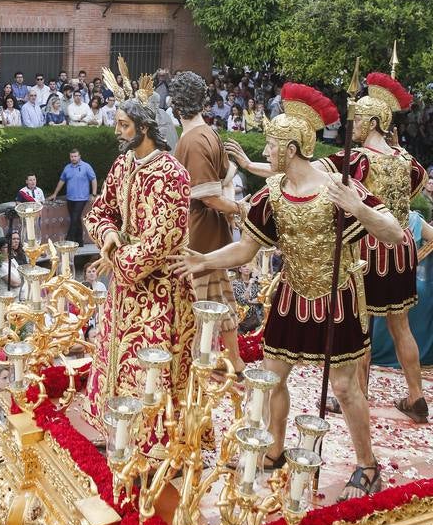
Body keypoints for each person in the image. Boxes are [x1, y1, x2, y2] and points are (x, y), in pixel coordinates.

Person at [172, 83, 404, 500]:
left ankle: (367, 467)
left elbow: (394, 234)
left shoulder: (338, 188)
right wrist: (204, 260)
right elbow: (247, 247)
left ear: (292, 148)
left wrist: (360, 209)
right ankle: (276, 449)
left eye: (272, 145)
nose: (265, 152)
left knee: (346, 388)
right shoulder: (272, 194)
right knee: (271, 377)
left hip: (338, 299)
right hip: (292, 295)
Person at [82, 81, 195, 446]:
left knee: (149, 365)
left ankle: (152, 437)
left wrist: (116, 259)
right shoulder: (122, 164)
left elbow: (163, 240)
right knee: (114, 355)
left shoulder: (172, 173)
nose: (117, 131)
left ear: (144, 128)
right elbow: (101, 211)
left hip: (158, 291)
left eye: (123, 125)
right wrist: (110, 235)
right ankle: (114, 426)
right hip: (124, 288)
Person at [323, 73, 428, 422]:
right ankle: (416, 397)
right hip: (402, 247)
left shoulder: (361, 159)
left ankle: (358, 397)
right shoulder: (402, 157)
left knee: (360, 324)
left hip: (370, 249)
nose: (350, 128)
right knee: (401, 326)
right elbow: (415, 187)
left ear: (371, 122)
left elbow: (321, 176)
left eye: (356, 122)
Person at [171, 71, 245, 374]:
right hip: (212, 230)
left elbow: (208, 197)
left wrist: (240, 209)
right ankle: (235, 360)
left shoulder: (192, 140)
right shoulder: (210, 133)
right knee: (219, 296)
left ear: (177, 105)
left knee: (194, 303)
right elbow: (227, 178)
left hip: (197, 232)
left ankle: (192, 363)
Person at [372, 208, 433, 366]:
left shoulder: (365, 213)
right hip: (405, 285)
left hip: (372, 283)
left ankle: (360, 389)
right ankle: (415, 391)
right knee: (402, 329)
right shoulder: (412, 218)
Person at [48, 150, 97, 246]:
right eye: (71, 156)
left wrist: (94, 194)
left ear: (79, 156)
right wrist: (55, 193)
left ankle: (68, 241)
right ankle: (80, 242)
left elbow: (93, 179)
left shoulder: (86, 167)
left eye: (75, 156)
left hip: (82, 198)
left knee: (74, 218)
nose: (73, 158)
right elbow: (62, 181)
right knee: (76, 219)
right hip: (70, 198)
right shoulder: (67, 168)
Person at [232, 265, 263, 333]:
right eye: (244, 266)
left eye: (249, 266)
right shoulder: (235, 283)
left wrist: (250, 301)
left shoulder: (256, 283)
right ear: (240, 270)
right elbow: (242, 300)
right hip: (241, 319)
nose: (247, 268)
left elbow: (260, 299)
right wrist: (249, 285)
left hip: (253, 319)